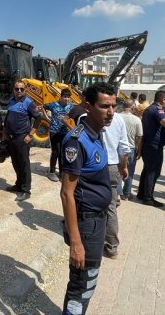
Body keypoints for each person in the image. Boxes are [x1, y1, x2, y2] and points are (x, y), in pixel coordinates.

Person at [60, 82, 116, 314]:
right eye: (105, 106)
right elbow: (66, 193)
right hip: (87, 223)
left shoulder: (98, 133)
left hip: (98, 219)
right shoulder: (76, 140)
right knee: (82, 283)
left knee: (89, 279)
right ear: (88, 106)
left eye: (113, 106)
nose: (111, 112)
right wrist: (76, 243)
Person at [2, 79, 41, 202]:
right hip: (11, 137)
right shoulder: (11, 100)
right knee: (15, 162)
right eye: (17, 88)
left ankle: (26, 190)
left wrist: (30, 134)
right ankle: (18, 185)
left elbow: (38, 118)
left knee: (24, 164)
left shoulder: (29, 102)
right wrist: (4, 132)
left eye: (21, 89)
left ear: (25, 90)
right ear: (13, 89)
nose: (19, 91)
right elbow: (8, 117)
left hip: (22, 138)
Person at [101, 111, 130, 260]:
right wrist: (123, 167)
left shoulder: (87, 117)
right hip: (112, 166)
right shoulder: (118, 118)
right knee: (111, 206)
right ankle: (112, 247)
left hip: (94, 166)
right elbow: (124, 148)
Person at [44, 88, 73, 182]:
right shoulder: (53, 104)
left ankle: (61, 172)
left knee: (63, 152)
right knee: (55, 151)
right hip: (54, 131)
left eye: (68, 97)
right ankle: (52, 172)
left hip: (65, 132)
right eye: (65, 96)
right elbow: (43, 107)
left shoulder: (70, 106)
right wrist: (47, 118)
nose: (66, 99)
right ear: (61, 97)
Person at [119, 98, 142, 201]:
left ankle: (117, 193)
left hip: (117, 148)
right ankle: (126, 194)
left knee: (118, 171)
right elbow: (139, 136)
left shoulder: (116, 117)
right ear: (133, 107)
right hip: (131, 148)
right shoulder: (137, 120)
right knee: (130, 171)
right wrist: (138, 149)